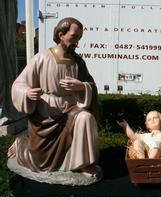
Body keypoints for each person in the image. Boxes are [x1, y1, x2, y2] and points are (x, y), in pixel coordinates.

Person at [7, 17, 101, 179]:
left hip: (71, 108)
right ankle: (21, 145)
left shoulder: (78, 62)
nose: (76, 43)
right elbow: (19, 85)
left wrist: (82, 87)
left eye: (79, 39)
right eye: (73, 38)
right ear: (60, 35)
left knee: (85, 117)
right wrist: (28, 93)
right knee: (40, 162)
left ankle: (82, 163)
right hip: (46, 113)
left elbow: (91, 84)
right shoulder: (42, 58)